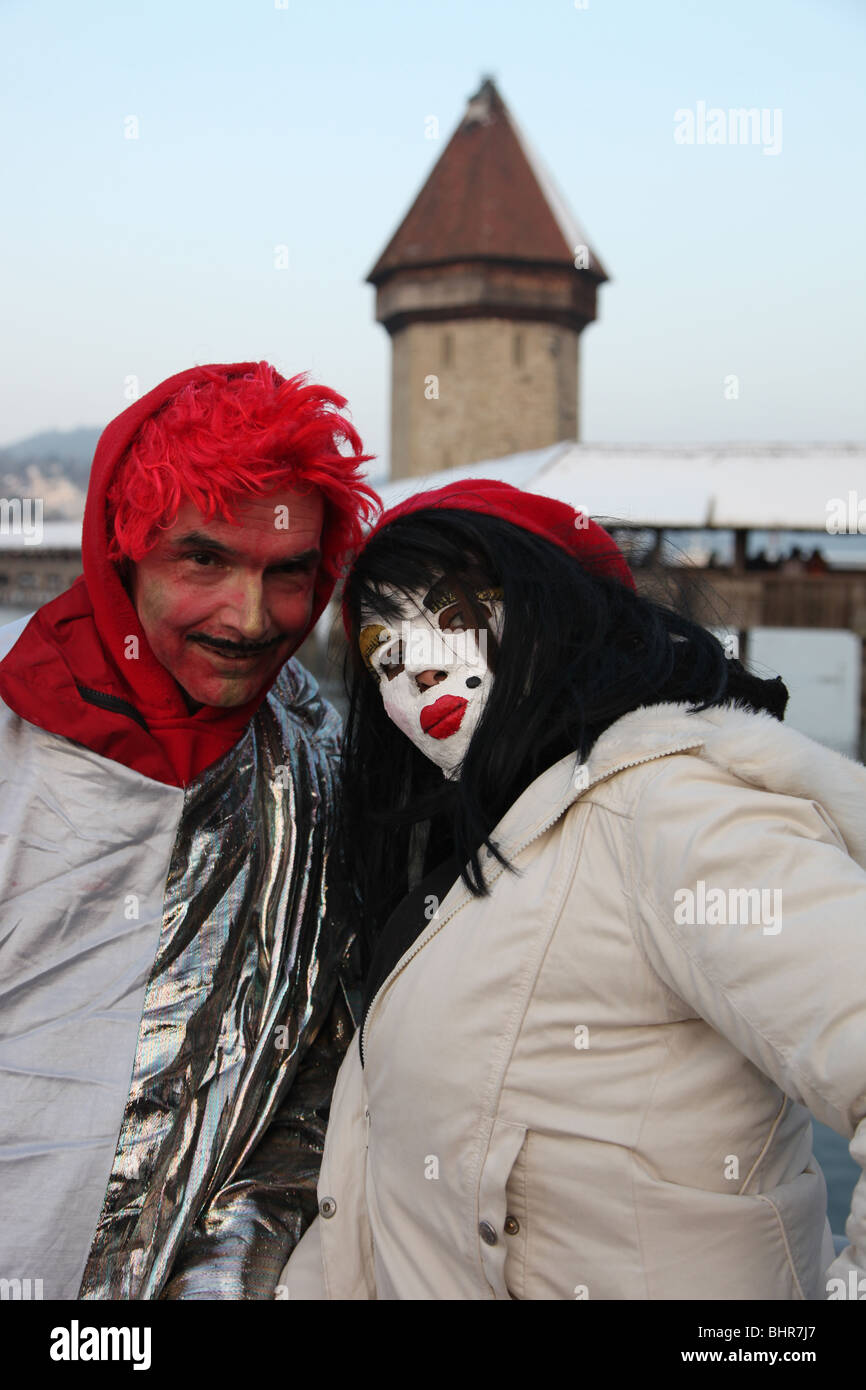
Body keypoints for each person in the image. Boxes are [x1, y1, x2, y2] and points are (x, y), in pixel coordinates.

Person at [281, 479, 866, 1301]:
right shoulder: (467, 853)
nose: (418, 675)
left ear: (556, 605)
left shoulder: (673, 811)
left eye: (452, 618)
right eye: (387, 654)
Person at [0, 361, 378, 1300]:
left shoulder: (313, 760)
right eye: (203, 560)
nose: (249, 620)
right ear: (123, 553)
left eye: (288, 573)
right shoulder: (20, 762)